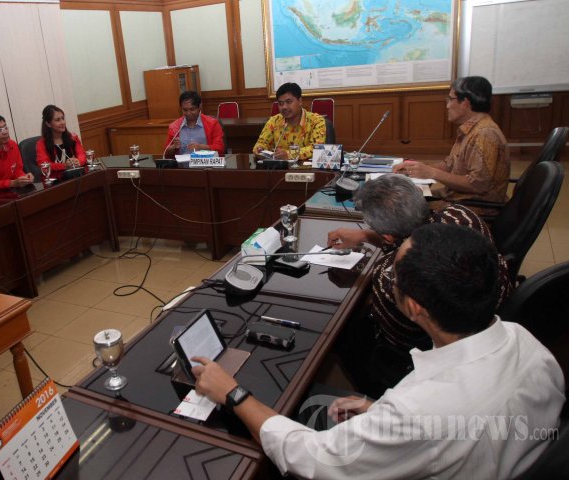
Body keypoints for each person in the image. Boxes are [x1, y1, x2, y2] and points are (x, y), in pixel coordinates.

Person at [193, 223, 565, 479]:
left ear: (415, 307)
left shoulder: (418, 413)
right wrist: (379, 414)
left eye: (394, 273)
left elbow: (310, 459)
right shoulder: (526, 342)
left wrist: (233, 393)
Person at [326, 174, 512, 392]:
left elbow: (400, 340)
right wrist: (367, 235)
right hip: (494, 321)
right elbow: (411, 241)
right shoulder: (462, 215)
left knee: (342, 328)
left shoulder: (392, 278)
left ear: (388, 237)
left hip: (433, 361)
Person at [393, 76, 509, 207]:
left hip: (473, 207)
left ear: (465, 102)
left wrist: (432, 173)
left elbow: (477, 185)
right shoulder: (471, 129)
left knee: (399, 207)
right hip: (455, 197)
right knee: (402, 197)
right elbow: (450, 165)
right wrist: (415, 168)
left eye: (450, 99)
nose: (447, 106)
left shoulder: (484, 134)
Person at [252, 82, 326, 161]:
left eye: (289, 102)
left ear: (300, 101)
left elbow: (317, 148)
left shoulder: (316, 121)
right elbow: (261, 143)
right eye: (280, 103)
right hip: (279, 167)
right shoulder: (274, 121)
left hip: (306, 168)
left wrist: (289, 154)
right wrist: (260, 149)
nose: (284, 107)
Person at [163, 91, 224, 156]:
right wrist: (173, 147)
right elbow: (166, 153)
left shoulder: (212, 124)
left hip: (206, 162)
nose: (188, 113)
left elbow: (220, 148)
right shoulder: (174, 127)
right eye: (185, 110)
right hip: (182, 162)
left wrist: (201, 147)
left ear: (199, 107)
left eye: (192, 109)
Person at [36, 105, 86, 180]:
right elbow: (44, 165)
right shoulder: (41, 144)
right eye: (57, 120)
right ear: (48, 124)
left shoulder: (73, 137)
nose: (62, 122)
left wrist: (78, 161)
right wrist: (65, 166)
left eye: (63, 118)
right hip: (56, 182)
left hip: (76, 177)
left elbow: (82, 154)